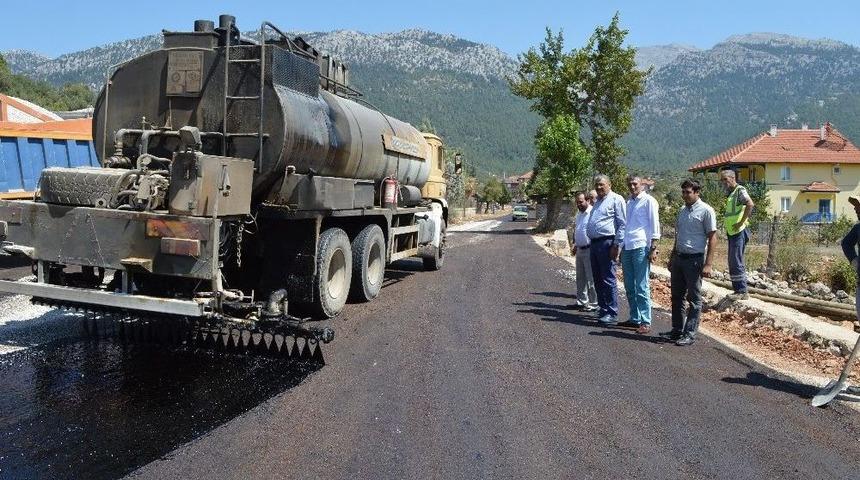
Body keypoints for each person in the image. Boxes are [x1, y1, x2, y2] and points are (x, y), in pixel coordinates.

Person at [661, 179, 717, 346]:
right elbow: (678, 236)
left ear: (697, 192)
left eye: (688, 192)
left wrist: (708, 264)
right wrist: (672, 257)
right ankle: (677, 330)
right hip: (679, 258)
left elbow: (713, 237)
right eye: (683, 192)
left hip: (694, 260)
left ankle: (690, 333)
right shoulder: (682, 211)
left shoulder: (706, 211)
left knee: (694, 298)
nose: (685, 195)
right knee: (676, 296)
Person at [621, 175, 661, 334]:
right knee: (629, 285)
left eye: (635, 184)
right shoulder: (628, 202)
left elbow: (655, 225)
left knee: (641, 286)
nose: (632, 187)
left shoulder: (649, 201)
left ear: (642, 185)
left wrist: (653, 248)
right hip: (627, 246)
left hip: (641, 247)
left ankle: (645, 321)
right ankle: (634, 318)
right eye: (630, 184)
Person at [586, 174, 627, 325]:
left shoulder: (617, 199)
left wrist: (617, 245)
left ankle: (612, 312)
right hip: (595, 244)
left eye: (601, 184)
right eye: (596, 184)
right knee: (597, 278)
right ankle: (603, 309)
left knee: (608, 279)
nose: (598, 187)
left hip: (607, 243)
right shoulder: (597, 202)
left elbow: (622, 224)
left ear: (609, 184)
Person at [720, 169, 754, 299]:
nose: (723, 182)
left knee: (736, 260)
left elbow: (750, 204)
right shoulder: (731, 193)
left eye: (725, 179)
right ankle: (738, 290)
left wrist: (740, 223)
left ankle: (742, 291)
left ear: (732, 178)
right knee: (733, 260)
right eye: (722, 180)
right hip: (732, 232)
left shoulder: (740, 190)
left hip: (739, 231)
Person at [572, 192, 598, 312]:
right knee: (580, 277)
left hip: (590, 249)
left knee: (591, 278)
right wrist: (575, 244)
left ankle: (594, 303)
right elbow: (578, 229)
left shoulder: (593, 213)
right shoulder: (579, 214)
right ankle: (582, 301)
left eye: (581, 202)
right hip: (580, 249)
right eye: (577, 202)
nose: (579, 204)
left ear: (588, 200)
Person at [839, 196, 860, 333]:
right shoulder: (858, 228)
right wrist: (854, 260)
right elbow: (846, 243)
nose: (855, 208)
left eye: (858, 205)